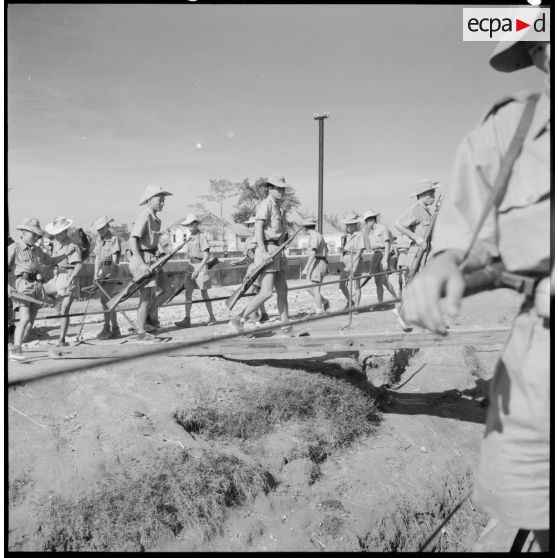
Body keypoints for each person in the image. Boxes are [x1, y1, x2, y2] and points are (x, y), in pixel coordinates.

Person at [400, 39, 550, 552]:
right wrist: (442, 267)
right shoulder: (510, 132)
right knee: (527, 504)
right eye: (540, 44)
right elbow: (465, 238)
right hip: (543, 353)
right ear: (536, 54)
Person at [229, 174, 291, 334]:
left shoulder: (279, 208)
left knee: (283, 290)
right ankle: (239, 318)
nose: (281, 191)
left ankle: (285, 325)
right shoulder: (266, 204)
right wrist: (262, 251)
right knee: (267, 292)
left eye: (283, 188)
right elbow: (258, 229)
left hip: (279, 251)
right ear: (270, 188)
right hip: (268, 250)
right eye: (278, 188)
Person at [8, 218, 76, 361]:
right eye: (33, 235)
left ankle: (16, 346)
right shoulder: (14, 247)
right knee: (24, 318)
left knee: (30, 323)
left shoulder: (38, 250)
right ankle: (16, 349)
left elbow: (50, 261)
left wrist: (67, 254)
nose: (36, 238)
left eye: (38, 235)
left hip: (37, 287)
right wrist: (7, 286)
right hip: (21, 286)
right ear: (24, 232)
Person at [129, 185, 175, 342]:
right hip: (142, 260)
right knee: (146, 297)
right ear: (149, 200)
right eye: (159, 200)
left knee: (169, 289)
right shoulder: (145, 216)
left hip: (153, 260)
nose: (162, 203)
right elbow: (132, 240)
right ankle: (141, 331)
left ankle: (148, 318)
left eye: (163, 201)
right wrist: (141, 264)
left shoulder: (156, 219)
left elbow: (152, 243)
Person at [42, 216, 83, 347]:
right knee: (39, 291)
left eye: (60, 233)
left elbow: (78, 265)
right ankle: (55, 304)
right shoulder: (55, 245)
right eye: (56, 234)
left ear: (66, 231)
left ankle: (61, 339)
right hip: (57, 277)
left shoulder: (72, 246)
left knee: (65, 311)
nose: (58, 236)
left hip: (68, 277)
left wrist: (71, 279)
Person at [174, 214, 217, 328]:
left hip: (200, 266)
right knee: (188, 293)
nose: (189, 226)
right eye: (188, 224)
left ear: (196, 224)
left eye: (192, 224)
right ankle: (187, 319)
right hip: (190, 266)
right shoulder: (189, 238)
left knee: (204, 293)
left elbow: (206, 255)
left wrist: (198, 270)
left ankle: (212, 317)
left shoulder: (201, 237)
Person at [393, 179, 440, 281]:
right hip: (417, 251)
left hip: (427, 251)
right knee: (414, 284)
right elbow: (398, 224)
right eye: (430, 194)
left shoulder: (428, 211)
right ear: (422, 195)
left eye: (434, 193)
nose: (433, 196)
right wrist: (417, 238)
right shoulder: (416, 209)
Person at [231, 216, 268, 323]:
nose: (251, 227)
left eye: (253, 225)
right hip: (252, 267)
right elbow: (247, 256)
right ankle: (263, 314)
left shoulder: (261, 237)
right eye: (249, 225)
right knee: (256, 293)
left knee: (251, 292)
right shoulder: (249, 240)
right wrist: (238, 262)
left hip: (259, 267)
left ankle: (254, 314)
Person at [91, 215, 122, 339]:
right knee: (108, 302)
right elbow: (97, 259)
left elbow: (115, 259)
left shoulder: (114, 239)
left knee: (106, 301)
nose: (100, 231)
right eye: (98, 229)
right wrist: (95, 273)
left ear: (107, 227)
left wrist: (111, 274)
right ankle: (114, 328)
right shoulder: (99, 240)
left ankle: (109, 328)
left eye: (102, 228)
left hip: (112, 271)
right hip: (102, 272)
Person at [361, 210, 397, 304]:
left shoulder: (382, 228)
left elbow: (387, 244)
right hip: (375, 254)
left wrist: (385, 260)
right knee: (377, 281)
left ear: (372, 220)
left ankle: (395, 297)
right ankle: (380, 302)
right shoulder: (370, 232)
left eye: (367, 221)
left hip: (383, 253)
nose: (366, 224)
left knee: (384, 280)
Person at [301, 218, 330, 314]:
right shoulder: (314, 236)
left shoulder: (315, 236)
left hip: (318, 262)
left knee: (315, 289)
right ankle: (325, 302)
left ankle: (319, 312)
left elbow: (313, 252)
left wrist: (306, 268)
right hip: (315, 263)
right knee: (309, 288)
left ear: (305, 228)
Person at [338, 212, 366, 308]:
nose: (348, 227)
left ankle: (356, 307)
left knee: (356, 286)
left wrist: (353, 263)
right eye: (347, 224)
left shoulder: (360, 235)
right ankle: (350, 302)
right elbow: (343, 249)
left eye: (350, 224)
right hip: (345, 260)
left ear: (355, 225)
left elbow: (360, 250)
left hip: (355, 259)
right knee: (342, 284)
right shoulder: (345, 236)